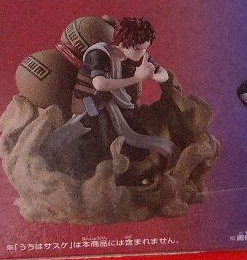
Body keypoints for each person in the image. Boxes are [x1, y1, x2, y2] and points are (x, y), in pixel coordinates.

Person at [72, 16, 176, 165]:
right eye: (138, 49)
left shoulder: (136, 55)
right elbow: (99, 84)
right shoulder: (100, 53)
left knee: (135, 127)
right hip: (87, 100)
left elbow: (164, 74)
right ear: (123, 43)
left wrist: (152, 74)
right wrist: (137, 77)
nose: (142, 53)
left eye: (145, 48)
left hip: (112, 102)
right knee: (100, 130)